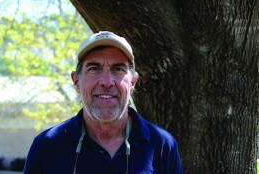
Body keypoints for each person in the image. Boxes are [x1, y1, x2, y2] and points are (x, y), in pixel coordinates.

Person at [23, 31, 183, 174]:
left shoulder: (162, 145)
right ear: (76, 81)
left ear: (133, 83)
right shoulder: (46, 146)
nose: (107, 82)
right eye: (94, 69)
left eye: (118, 69)